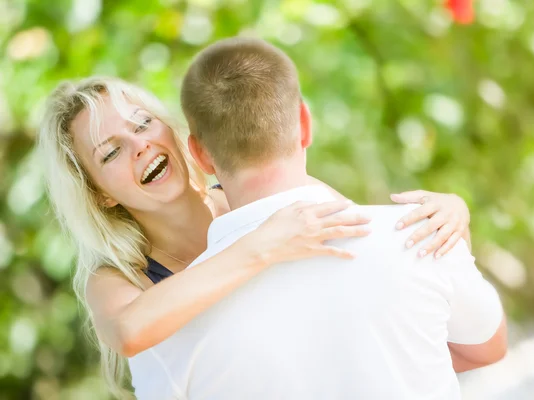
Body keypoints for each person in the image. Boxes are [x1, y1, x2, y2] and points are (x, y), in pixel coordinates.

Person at [38, 75, 472, 398]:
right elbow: (130, 329)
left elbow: (381, 267)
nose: (139, 146)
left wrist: (450, 216)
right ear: (100, 193)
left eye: (143, 123)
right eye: (110, 151)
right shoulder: (117, 278)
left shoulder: (260, 192)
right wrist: (262, 245)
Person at [123, 37, 507, 399]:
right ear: (305, 123)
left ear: (199, 155)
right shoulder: (422, 235)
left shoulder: (163, 332)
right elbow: (487, 347)